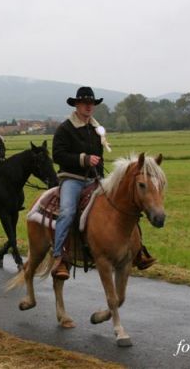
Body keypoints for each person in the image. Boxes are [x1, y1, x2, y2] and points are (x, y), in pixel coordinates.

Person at [51, 86, 155, 280]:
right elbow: (57, 155)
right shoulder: (65, 128)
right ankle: (60, 257)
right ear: (77, 105)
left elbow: (99, 157)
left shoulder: (96, 129)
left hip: (94, 179)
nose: (89, 106)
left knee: (125, 205)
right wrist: (83, 159)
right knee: (67, 211)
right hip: (72, 179)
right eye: (85, 103)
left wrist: (102, 176)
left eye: (91, 103)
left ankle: (138, 250)